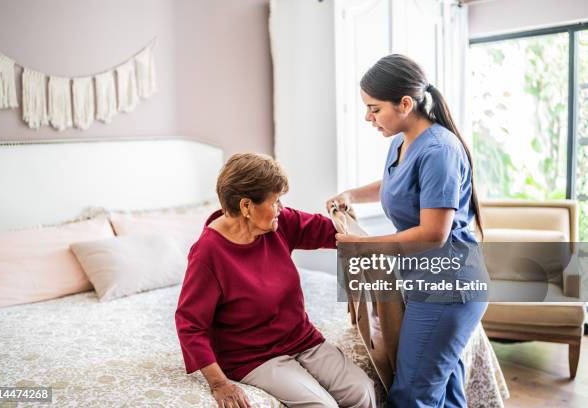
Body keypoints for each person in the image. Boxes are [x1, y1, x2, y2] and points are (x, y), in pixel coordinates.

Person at [327, 54, 488, 408]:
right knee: (443, 391)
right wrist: (353, 194)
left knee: (412, 394)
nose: (367, 118)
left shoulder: (440, 150)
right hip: (424, 279)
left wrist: (364, 245)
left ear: (405, 103)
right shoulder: (401, 142)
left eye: (374, 109)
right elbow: (396, 183)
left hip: (449, 286)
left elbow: (434, 234)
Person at [176, 153, 376, 408]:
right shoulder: (208, 253)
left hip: (301, 338)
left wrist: (347, 220)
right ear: (246, 206)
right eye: (275, 201)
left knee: (363, 391)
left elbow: (332, 233)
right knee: (322, 406)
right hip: (252, 357)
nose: (281, 207)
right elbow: (190, 325)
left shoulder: (280, 224)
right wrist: (219, 383)